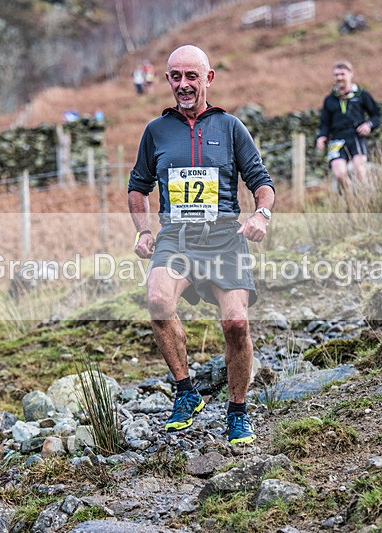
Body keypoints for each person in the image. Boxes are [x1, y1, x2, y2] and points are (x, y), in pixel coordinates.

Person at [128, 45, 275, 445]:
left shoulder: (230, 127)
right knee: (158, 300)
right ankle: (185, 391)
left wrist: (261, 215)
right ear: (168, 81)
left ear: (208, 78)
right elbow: (137, 188)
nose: (183, 84)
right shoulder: (156, 132)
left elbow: (261, 182)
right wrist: (144, 230)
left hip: (224, 237)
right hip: (176, 237)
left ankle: (238, 412)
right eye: (176, 76)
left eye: (191, 76)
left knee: (237, 325)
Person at [316, 60, 381, 194]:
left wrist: (369, 125)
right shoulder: (329, 99)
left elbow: (376, 115)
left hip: (356, 136)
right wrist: (322, 136)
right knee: (339, 174)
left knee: (359, 170)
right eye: (336, 75)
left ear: (351, 74)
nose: (339, 77)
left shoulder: (362, 95)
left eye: (342, 74)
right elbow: (324, 123)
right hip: (337, 139)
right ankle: (349, 200)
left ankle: (365, 200)